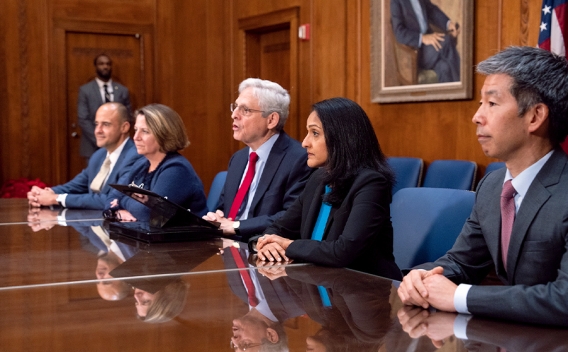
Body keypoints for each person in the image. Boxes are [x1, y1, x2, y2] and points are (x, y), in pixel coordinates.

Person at [397, 46, 568, 327]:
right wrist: (422, 277)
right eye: (480, 103)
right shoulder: (493, 185)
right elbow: (463, 262)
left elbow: (563, 299)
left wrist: (459, 297)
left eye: (492, 103)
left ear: (535, 117)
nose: (477, 116)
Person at [253, 97, 402, 279]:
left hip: (364, 290)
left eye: (315, 133)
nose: (305, 142)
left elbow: (343, 251)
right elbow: (279, 227)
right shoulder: (318, 179)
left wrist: (288, 245)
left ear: (343, 138)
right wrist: (268, 243)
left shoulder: (372, 183)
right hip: (320, 283)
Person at [203, 78, 312, 241]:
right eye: (235, 107)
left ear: (271, 120)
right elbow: (226, 208)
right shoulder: (238, 159)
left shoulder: (298, 159)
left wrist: (236, 226)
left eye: (245, 110)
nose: (234, 115)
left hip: (261, 250)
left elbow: (290, 216)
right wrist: (217, 218)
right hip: (226, 247)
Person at [27, 103, 141, 209]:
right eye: (96, 124)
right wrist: (45, 193)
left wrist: (56, 198)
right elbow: (76, 186)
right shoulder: (99, 155)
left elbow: (113, 199)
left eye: (106, 124)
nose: (97, 130)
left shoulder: (135, 156)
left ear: (124, 127)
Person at [107, 103, 207, 221]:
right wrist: (118, 210)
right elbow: (110, 198)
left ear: (164, 135)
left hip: (187, 238)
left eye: (145, 131)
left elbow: (149, 213)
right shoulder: (140, 164)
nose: (136, 137)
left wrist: (122, 201)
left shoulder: (177, 169)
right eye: (135, 130)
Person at [390, 0, 460, 83]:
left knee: (444, 68)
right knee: (447, 41)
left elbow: (432, 11)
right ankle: (463, 84)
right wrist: (422, 38)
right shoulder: (396, 2)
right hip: (415, 52)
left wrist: (448, 24)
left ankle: (453, 94)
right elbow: (399, 33)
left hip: (430, 47)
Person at [78, 53, 132, 160]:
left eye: (108, 64)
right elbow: (83, 118)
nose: (105, 66)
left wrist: (114, 139)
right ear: (96, 66)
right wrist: (101, 138)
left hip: (118, 145)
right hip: (92, 146)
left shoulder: (122, 90)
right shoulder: (85, 90)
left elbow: (127, 116)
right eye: (101, 64)